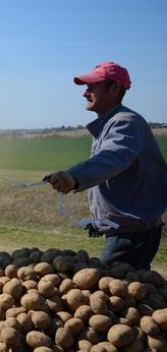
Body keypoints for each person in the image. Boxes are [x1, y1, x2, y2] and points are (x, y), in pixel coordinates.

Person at [46, 61, 167, 270]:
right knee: (126, 290)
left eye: (92, 86)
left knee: (112, 291)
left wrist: (74, 177)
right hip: (125, 229)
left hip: (133, 233)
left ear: (114, 88)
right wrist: (100, 220)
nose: (85, 93)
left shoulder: (125, 122)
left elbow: (111, 159)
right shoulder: (108, 124)